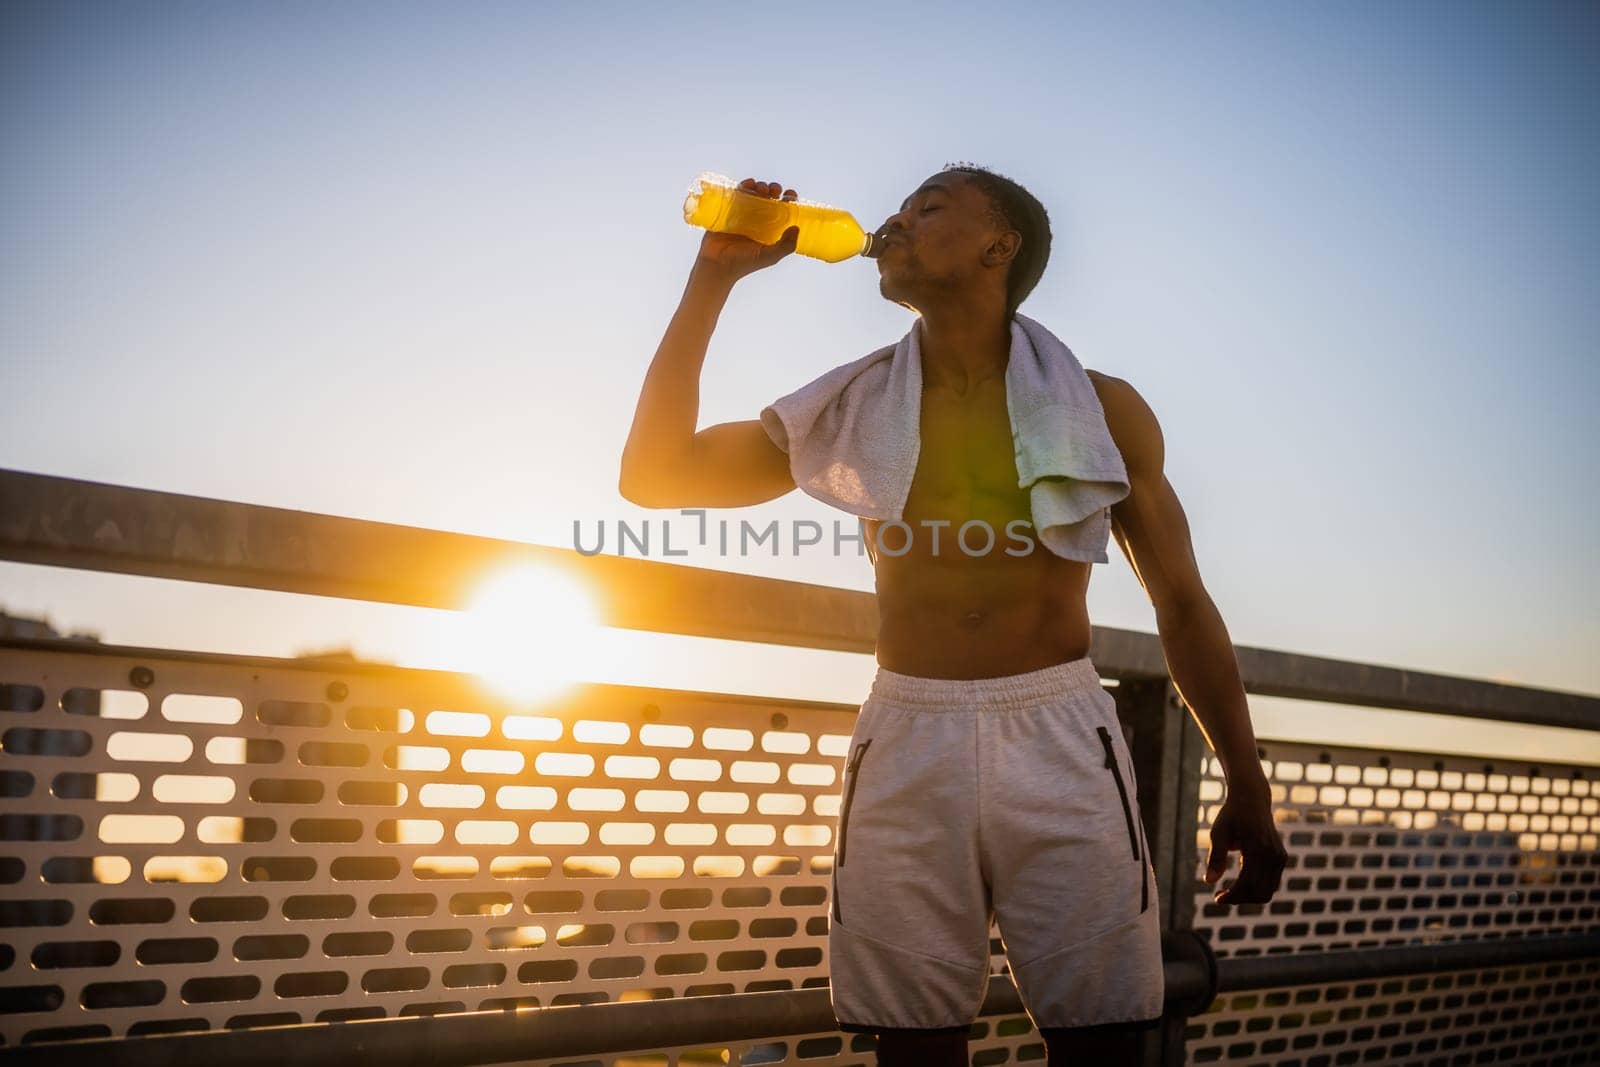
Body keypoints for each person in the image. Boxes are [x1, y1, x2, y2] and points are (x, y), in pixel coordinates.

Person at [620, 169, 1287, 1066]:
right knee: (914, 1047)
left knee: (1109, 1038)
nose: (894, 220)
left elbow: (1181, 602)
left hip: (1059, 732)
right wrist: (712, 276)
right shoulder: (855, 405)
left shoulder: (1101, 408)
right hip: (907, 734)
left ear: (997, 245)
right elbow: (655, 474)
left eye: (928, 207)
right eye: (898, 210)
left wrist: (1245, 776)